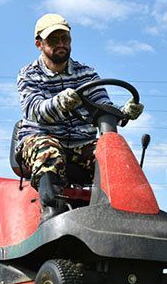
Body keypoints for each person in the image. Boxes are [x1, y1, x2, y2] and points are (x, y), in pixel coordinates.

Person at [16, 13, 144, 222]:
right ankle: (51, 213)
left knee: (112, 152)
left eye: (64, 39)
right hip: (41, 137)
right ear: (39, 44)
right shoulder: (29, 74)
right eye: (53, 40)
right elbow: (34, 109)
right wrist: (60, 102)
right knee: (48, 149)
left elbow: (103, 106)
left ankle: (119, 215)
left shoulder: (87, 74)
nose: (61, 44)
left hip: (80, 142)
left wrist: (124, 113)